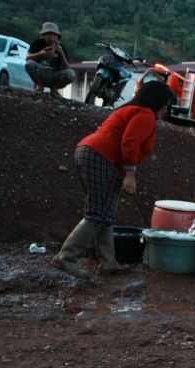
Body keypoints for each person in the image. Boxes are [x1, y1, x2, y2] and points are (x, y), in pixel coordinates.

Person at [50, 81, 177, 278]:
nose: (165, 110)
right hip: (101, 156)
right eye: (165, 104)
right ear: (157, 101)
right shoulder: (145, 115)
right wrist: (130, 175)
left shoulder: (130, 109)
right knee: (97, 214)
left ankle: (108, 262)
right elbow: (129, 143)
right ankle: (66, 257)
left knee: (105, 212)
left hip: (91, 153)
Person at [26, 22, 75, 97]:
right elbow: (27, 58)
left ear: (57, 37)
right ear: (44, 35)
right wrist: (41, 54)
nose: (51, 37)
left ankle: (54, 89)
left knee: (71, 74)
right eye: (48, 34)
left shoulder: (62, 47)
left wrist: (61, 52)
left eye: (54, 35)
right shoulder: (37, 43)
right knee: (29, 64)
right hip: (40, 72)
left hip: (54, 75)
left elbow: (67, 68)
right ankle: (39, 86)